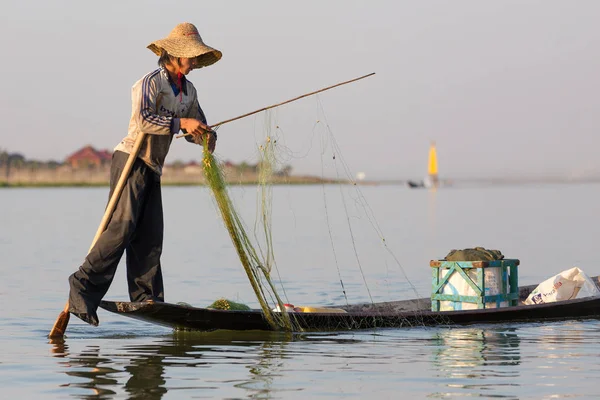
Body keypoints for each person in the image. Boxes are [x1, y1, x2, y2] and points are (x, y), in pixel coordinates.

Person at [66, 22, 222, 326]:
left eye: (195, 57)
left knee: (151, 235)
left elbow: (195, 126)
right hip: (131, 159)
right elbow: (145, 119)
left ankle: (147, 298)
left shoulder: (188, 90)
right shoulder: (149, 82)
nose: (194, 62)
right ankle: (81, 288)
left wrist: (205, 135)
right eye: (190, 56)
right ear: (174, 55)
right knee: (122, 228)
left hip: (154, 165)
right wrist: (182, 125)